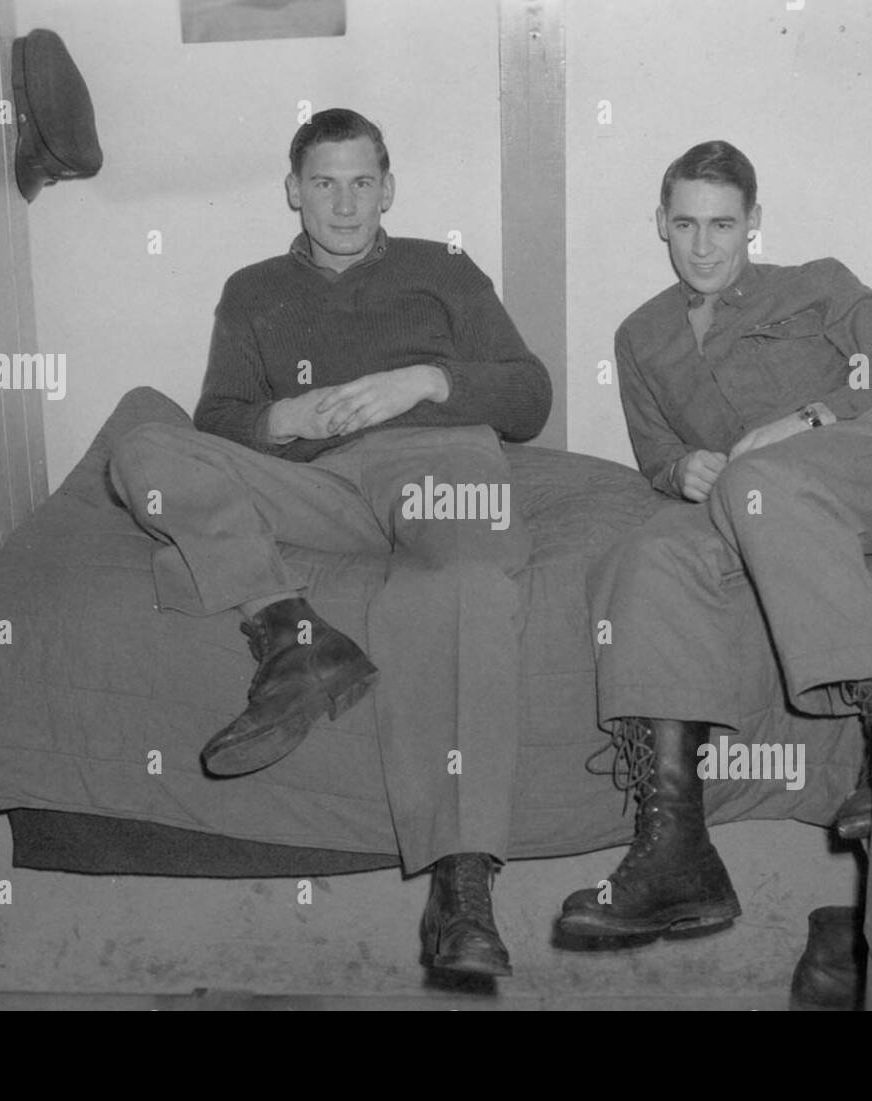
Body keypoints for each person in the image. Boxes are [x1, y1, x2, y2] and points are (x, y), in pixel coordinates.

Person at [110, 108, 551, 976]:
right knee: (141, 442)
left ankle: (463, 886)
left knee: (459, 584)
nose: (344, 203)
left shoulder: (444, 270)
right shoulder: (252, 290)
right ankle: (293, 635)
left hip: (436, 462)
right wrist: (283, 416)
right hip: (318, 484)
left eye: (361, 183)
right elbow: (218, 420)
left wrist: (423, 381)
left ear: (389, 189)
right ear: (293, 191)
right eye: (323, 182)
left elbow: (528, 397)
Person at [556, 140, 872, 941]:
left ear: (754, 224)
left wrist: (805, 420)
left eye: (723, 224)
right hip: (762, 504)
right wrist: (684, 472)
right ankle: (675, 849)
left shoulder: (816, 283)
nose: (703, 245)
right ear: (661, 226)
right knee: (650, 554)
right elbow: (654, 453)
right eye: (685, 224)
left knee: (760, 481)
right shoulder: (640, 335)